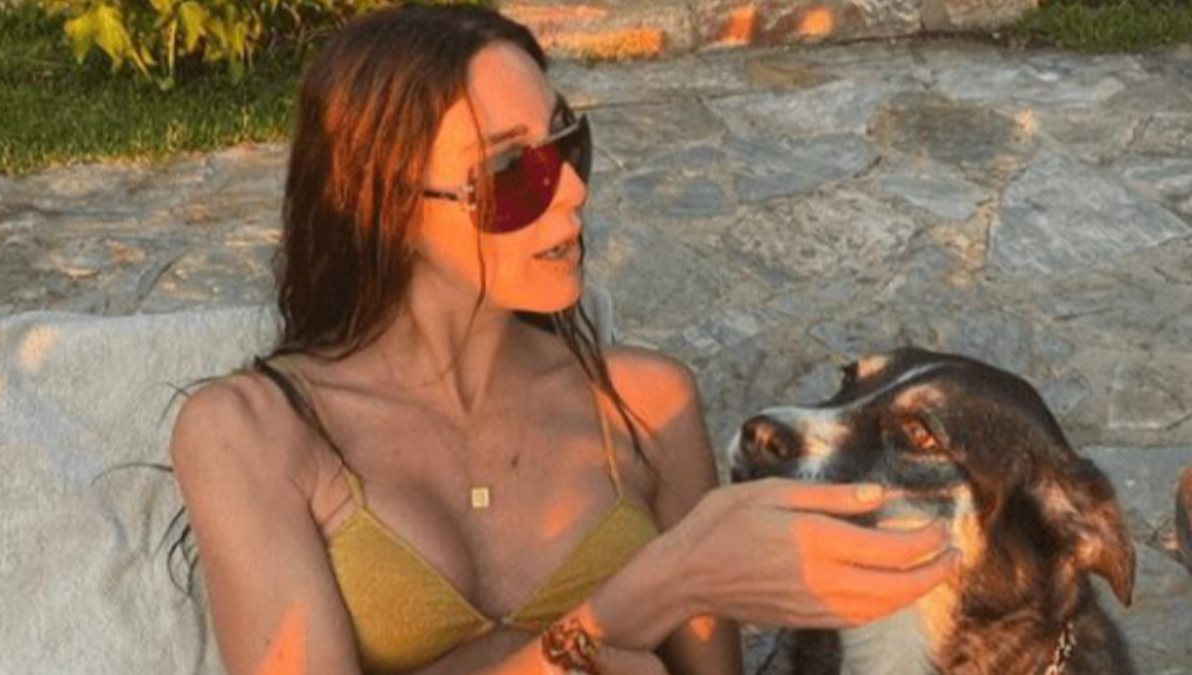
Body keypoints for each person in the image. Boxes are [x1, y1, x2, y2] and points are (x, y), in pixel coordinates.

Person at [168, 5, 958, 674]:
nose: (572, 190)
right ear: (386, 209)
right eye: (512, 170)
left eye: (567, 143)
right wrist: (652, 590)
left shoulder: (646, 405)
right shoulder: (252, 432)